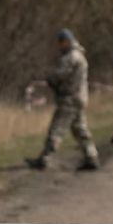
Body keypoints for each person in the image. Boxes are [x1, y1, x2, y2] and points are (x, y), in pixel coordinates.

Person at [26, 29, 100, 171]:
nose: (59, 46)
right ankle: (91, 157)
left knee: (56, 129)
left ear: (66, 42)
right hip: (80, 98)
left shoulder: (70, 58)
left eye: (60, 43)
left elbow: (60, 75)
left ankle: (45, 159)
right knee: (80, 130)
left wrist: (49, 80)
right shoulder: (80, 56)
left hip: (69, 99)